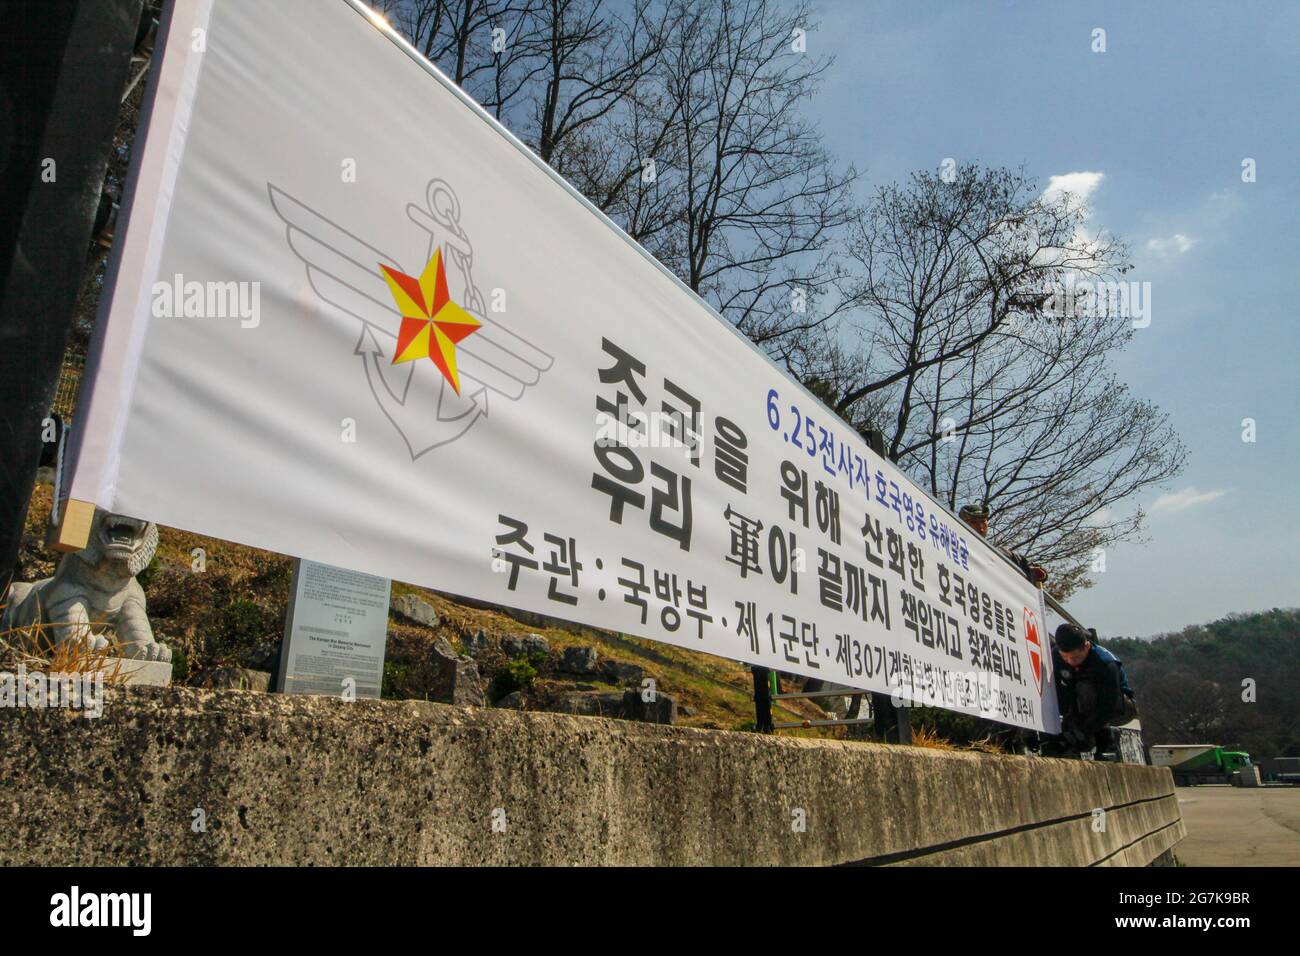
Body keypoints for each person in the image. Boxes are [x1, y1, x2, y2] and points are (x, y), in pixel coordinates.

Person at [1048, 622, 1137, 759]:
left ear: (1086, 647)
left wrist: (1084, 731)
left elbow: (1109, 704)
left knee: (1085, 688)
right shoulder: (1056, 656)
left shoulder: (1104, 663)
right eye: (1066, 657)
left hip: (1118, 707)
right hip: (1080, 705)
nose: (1071, 661)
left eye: (1076, 657)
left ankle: (1107, 742)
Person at [958, 502, 1048, 585]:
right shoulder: (955, 548)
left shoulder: (1002, 554)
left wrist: (1032, 571)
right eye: (974, 522)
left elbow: (1027, 566)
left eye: (983, 521)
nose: (981, 527)